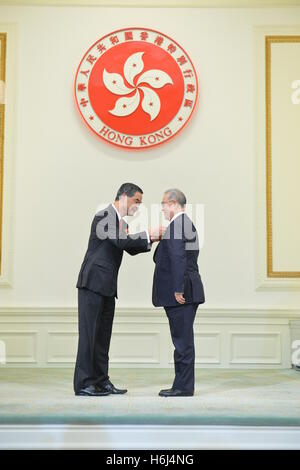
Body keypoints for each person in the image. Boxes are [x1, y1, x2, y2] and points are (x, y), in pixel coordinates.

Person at [74, 182, 162, 396]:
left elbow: (128, 247)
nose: (138, 206)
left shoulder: (118, 221)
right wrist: (148, 234)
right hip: (92, 284)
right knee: (89, 336)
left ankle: (101, 381)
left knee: (103, 336)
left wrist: (151, 238)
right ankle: (84, 384)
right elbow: (122, 242)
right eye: (136, 201)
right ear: (123, 196)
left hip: (107, 286)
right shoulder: (105, 215)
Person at [152, 189, 205, 397]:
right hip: (188, 289)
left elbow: (178, 258)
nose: (162, 208)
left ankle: (182, 387)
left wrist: (178, 288)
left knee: (182, 341)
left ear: (173, 203)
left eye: (163, 203)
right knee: (182, 340)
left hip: (182, 292)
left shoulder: (178, 225)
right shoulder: (184, 224)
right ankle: (182, 385)